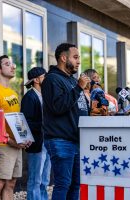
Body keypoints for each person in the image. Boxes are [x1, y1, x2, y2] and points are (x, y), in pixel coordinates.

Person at [42, 43, 90, 199]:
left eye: (79, 58)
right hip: (60, 140)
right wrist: (78, 88)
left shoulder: (70, 80)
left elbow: (77, 107)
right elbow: (58, 107)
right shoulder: (52, 79)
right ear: (63, 58)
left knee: (75, 184)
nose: (78, 62)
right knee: (63, 184)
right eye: (75, 57)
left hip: (75, 140)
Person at [0, 55, 31, 200]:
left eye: (12, 64)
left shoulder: (12, 92)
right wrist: (12, 142)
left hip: (16, 144)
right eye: (7, 64)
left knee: (11, 184)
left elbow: (16, 120)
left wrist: (25, 138)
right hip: (3, 145)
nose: (13, 67)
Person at [21, 67, 51, 200]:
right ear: (37, 80)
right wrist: (44, 125)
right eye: (45, 76)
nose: (48, 79)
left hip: (47, 142)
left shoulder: (45, 96)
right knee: (35, 179)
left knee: (45, 179)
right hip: (36, 143)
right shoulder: (29, 97)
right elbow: (26, 122)